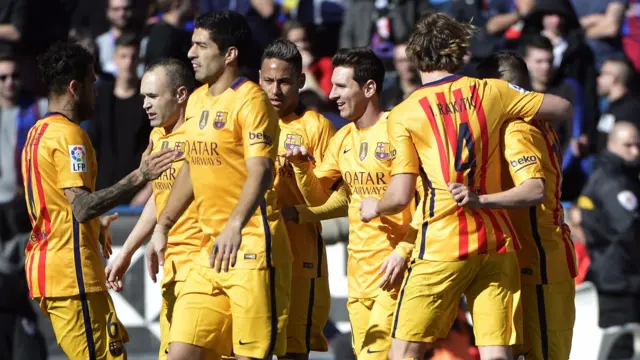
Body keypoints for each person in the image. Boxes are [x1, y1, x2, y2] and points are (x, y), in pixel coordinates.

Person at [359, 11, 573, 360]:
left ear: (415, 56)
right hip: (496, 244)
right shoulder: (492, 92)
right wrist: (514, 103)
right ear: (460, 52)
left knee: (403, 353)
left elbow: (399, 197)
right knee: (496, 354)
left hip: (441, 243)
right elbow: (561, 107)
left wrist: (375, 206)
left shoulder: (405, 112)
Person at [145, 11, 292, 360]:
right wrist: (162, 225)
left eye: (201, 45)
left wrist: (234, 225)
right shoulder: (195, 101)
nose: (191, 54)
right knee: (179, 353)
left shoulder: (252, 101)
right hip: (208, 253)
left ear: (229, 54)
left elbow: (260, 171)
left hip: (252, 248)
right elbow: (193, 168)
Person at [22, 42, 175, 360]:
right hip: (71, 274)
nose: (97, 90)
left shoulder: (38, 132)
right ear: (75, 88)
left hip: (53, 270)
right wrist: (140, 175)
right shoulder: (68, 136)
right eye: (92, 83)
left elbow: (59, 204)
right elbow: (80, 207)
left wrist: (97, 222)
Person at [283, 47, 415, 360]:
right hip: (359, 278)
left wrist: (403, 251)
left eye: (341, 86)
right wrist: (302, 168)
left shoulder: (399, 132)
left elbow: (424, 200)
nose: (332, 94)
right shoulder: (342, 139)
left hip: (395, 272)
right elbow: (322, 196)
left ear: (369, 88)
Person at [471, 51, 577, 360]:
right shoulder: (538, 122)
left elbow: (534, 190)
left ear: (501, 89)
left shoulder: (517, 129)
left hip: (541, 263)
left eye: (484, 90)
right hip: (540, 257)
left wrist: (480, 201)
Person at [103, 58, 198, 360]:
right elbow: (160, 199)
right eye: (143, 96)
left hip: (201, 269)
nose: (145, 104)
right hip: (171, 270)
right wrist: (127, 252)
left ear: (181, 95)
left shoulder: (202, 138)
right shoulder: (157, 137)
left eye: (153, 96)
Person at [259, 39, 336, 360]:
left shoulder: (317, 128)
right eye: (268, 81)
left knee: (293, 352)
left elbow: (332, 200)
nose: (275, 90)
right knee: (249, 348)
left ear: (301, 82)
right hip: (253, 255)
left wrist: (298, 210)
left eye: (285, 81)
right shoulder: (244, 121)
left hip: (299, 257)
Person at [578, 121, 640, 359]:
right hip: (619, 281)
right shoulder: (614, 182)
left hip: (614, 276)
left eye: (638, 145)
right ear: (612, 145)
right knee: (621, 348)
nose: (635, 151)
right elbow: (629, 231)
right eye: (628, 145)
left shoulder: (610, 176)